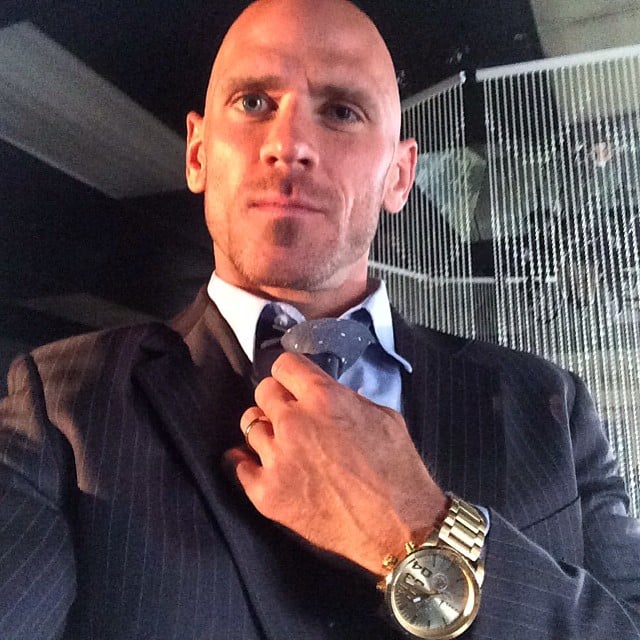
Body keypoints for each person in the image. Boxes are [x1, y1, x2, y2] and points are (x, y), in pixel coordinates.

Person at [0, 0, 639, 638]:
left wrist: (417, 527)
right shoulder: (60, 406)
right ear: (197, 154)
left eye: (340, 111)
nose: (289, 145)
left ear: (399, 176)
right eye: (254, 102)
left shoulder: (549, 407)